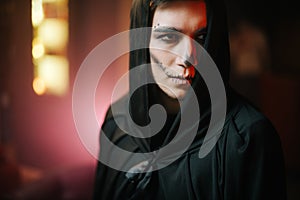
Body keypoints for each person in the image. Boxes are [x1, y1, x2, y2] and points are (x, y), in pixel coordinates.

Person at [93, 0, 287, 199]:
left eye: (202, 37)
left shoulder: (246, 139)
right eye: (169, 37)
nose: (187, 56)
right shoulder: (118, 121)